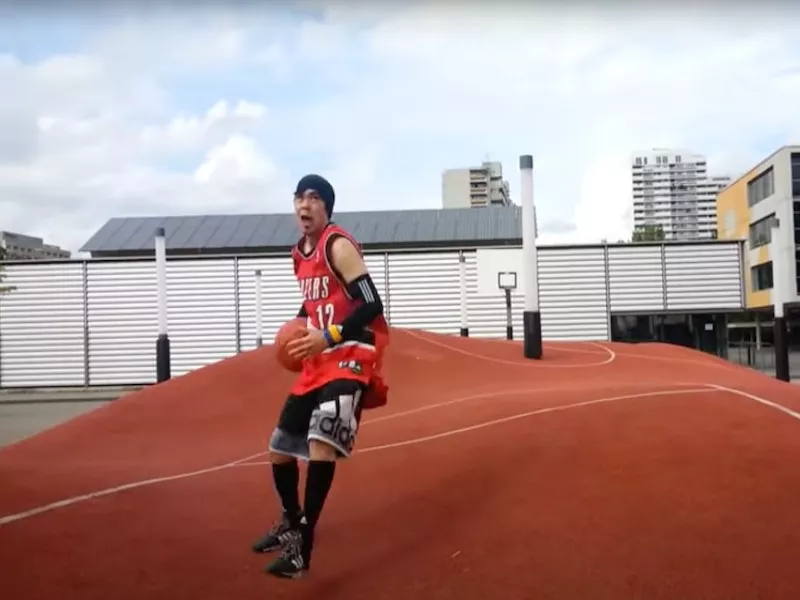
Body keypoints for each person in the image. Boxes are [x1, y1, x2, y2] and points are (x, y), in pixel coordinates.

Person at [252, 173, 390, 579]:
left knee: (320, 445)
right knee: (279, 447)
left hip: (351, 354)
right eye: (298, 198)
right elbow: (314, 302)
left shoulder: (337, 245)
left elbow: (371, 304)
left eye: (313, 198)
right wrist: (295, 327)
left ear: (327, 207)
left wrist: (327, 335)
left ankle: (302, 549)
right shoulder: (299, 252)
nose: (304, 205)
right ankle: (291, 522)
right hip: (319, 359)